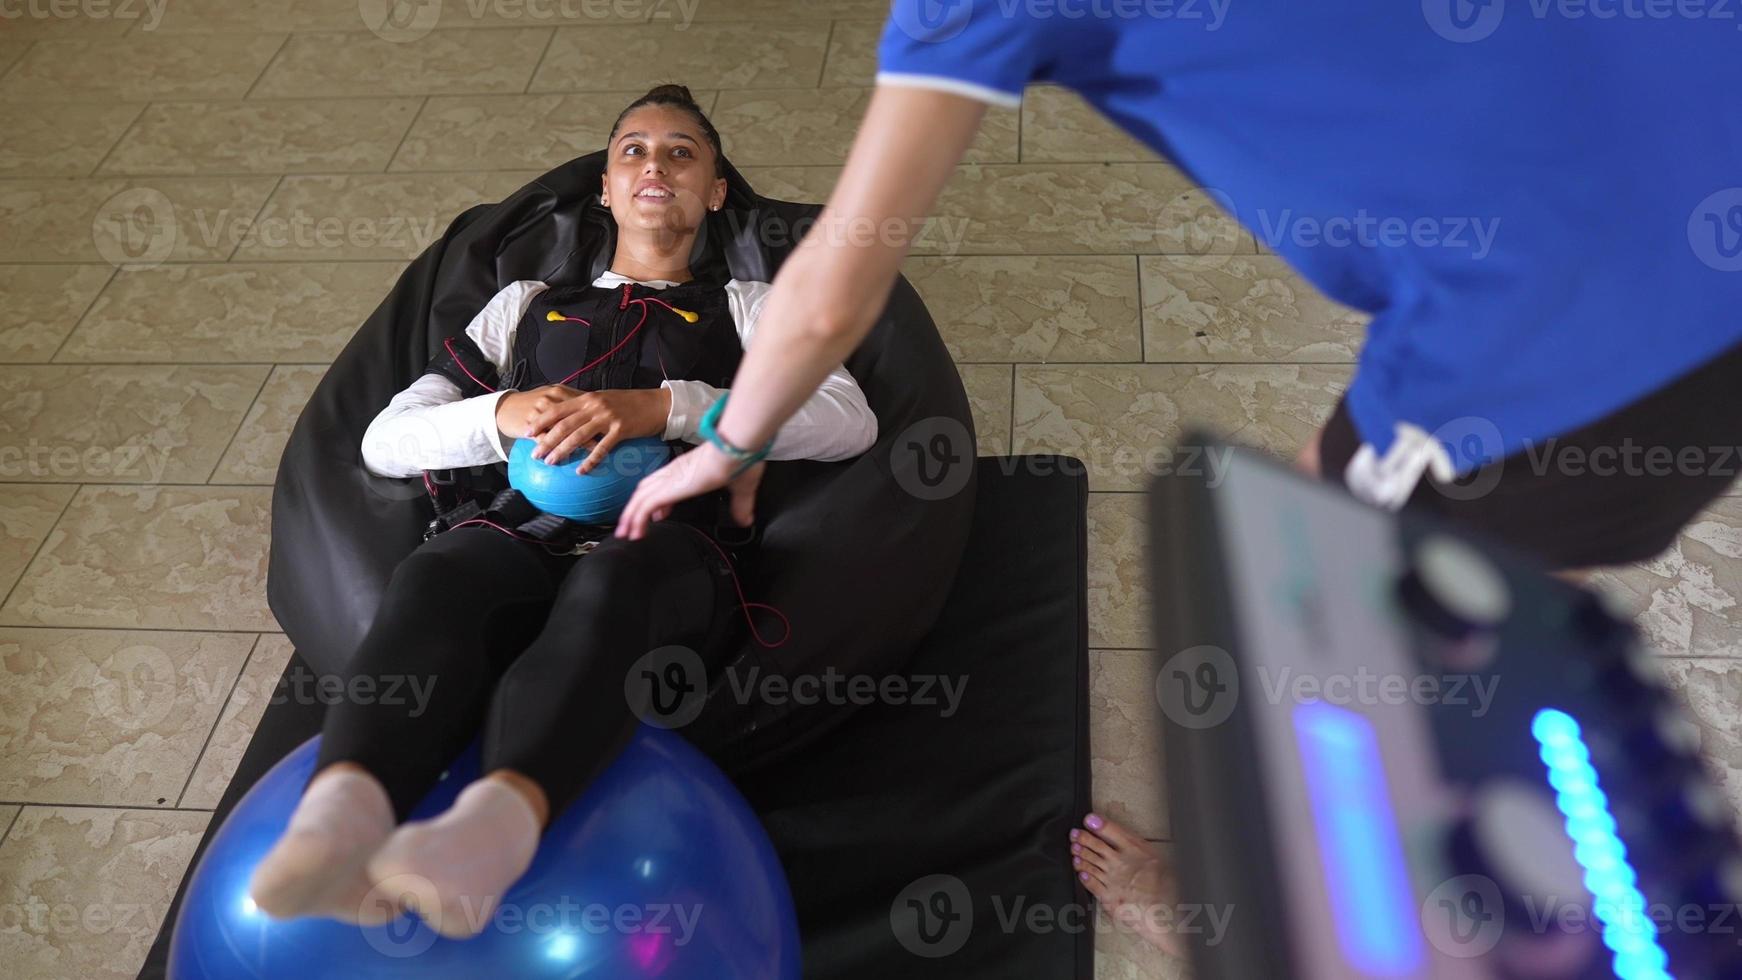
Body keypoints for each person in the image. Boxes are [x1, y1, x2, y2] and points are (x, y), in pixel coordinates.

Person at [608, 0, 1742, 955]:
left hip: (1571, 306)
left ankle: (1276, 911)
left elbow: (825, 296)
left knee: (1305, 612)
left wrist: (724, 440)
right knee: (1495, 559)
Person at [247, 84, 877, 939]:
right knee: (442, 575)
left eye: (682, 153)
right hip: (515, 530)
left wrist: (668, 409)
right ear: (607, 191)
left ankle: (491, 832)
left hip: (671, 545)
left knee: (614, 584)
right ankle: (336, 821)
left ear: (717, 192)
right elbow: (382, 444)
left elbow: (849, 422)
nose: (656, 164)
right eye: (633, 151)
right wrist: (500, 414)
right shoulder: (525, 306)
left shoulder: (750, 307)